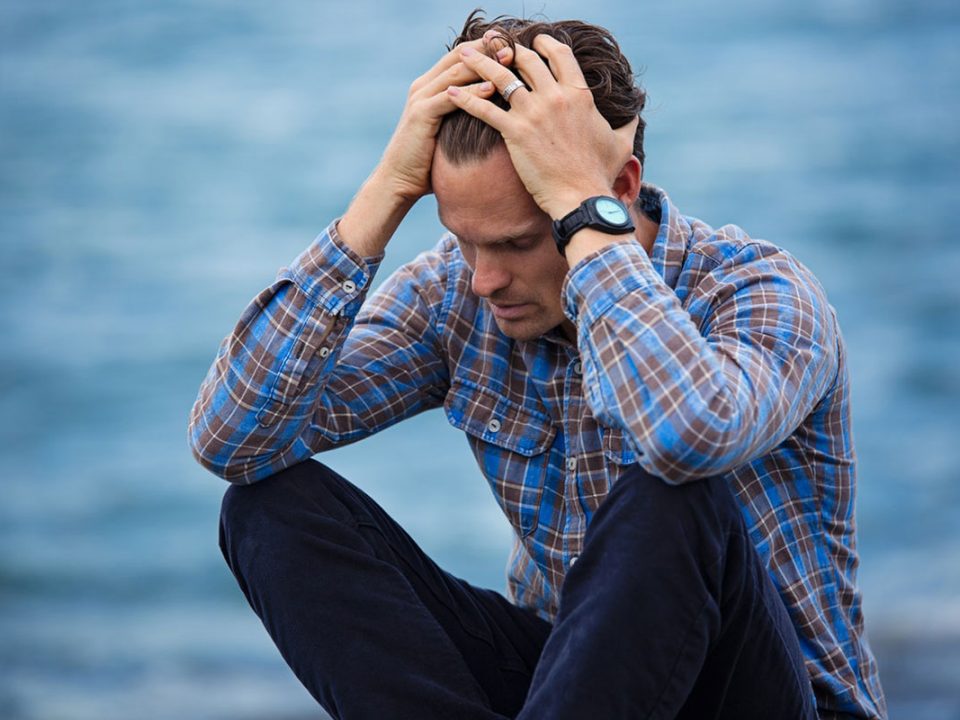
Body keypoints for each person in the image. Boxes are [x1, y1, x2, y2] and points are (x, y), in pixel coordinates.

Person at [188, 11, 886, 720]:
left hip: (767, 698)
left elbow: (685, 435)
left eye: (518, 242)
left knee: (673, 490)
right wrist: (385, 193)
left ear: (616, 188)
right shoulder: (456, 296)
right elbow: (232, 440)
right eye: (464, 241)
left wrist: (586, 220)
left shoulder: (758, 293)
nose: (485, 279)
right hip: (574, 686)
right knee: (267, 509)